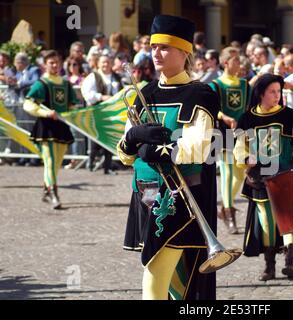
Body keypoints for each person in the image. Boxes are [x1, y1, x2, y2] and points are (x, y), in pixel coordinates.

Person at [116, 15, 219, 300]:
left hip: (179, 199)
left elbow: (198, 148)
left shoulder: (200, 93)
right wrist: (133, 138)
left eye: (165, 47)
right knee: (176, 287)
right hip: (143, 195)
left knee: (155, 280)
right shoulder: (144, 92)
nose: (156, 53)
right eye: (153, 46)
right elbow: (124, 155)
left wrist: (156, 150)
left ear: (185, 52)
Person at [234, 74, 293, 281]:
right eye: (273, 91)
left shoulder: (291, 116)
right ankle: (269, 265)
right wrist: (246, 158)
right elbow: (239, 147)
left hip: (287, 175)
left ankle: (290, 262)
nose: (277, 95)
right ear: (260, 93)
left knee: (290, 219)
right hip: (260, 178)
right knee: (267, 220)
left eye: (279, 91)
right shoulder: (247, 119)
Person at [23, 50, 79, 209]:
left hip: (62, 127)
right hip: (46, 127)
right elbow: (28, 104)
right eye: (51, 63)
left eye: (57, 62)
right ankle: (54, 193)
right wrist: (45, 112)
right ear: (45, 65)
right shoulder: (41, 84)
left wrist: (73, 113)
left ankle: (46, 190)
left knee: (56, 163)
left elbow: (71, 105)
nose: (54, 65)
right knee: (50, 161)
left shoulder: (66, 84)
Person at [209, 46, 251, 234]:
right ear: (225, 63)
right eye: (235, 60)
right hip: (223, 132)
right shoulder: (216, 85)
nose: (239, 64)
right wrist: (224, 116)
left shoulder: (245, 85)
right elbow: (212, 108)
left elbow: (249, 108)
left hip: (241, 133)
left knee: (240, 174)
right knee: (226, 173)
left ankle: (226, 207)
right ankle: (229, 212)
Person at [81, 54, 123, 175]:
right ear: (98, 64)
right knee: (97, 138)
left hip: (112, 112)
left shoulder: (116, 77)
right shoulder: (94, 76)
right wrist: (101, 96)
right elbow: (87, 93)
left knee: (110, 138)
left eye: (108, 62)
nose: (106, 65)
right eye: (103, 62)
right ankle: (91, 161)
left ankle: (107, 166)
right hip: (98, 112)